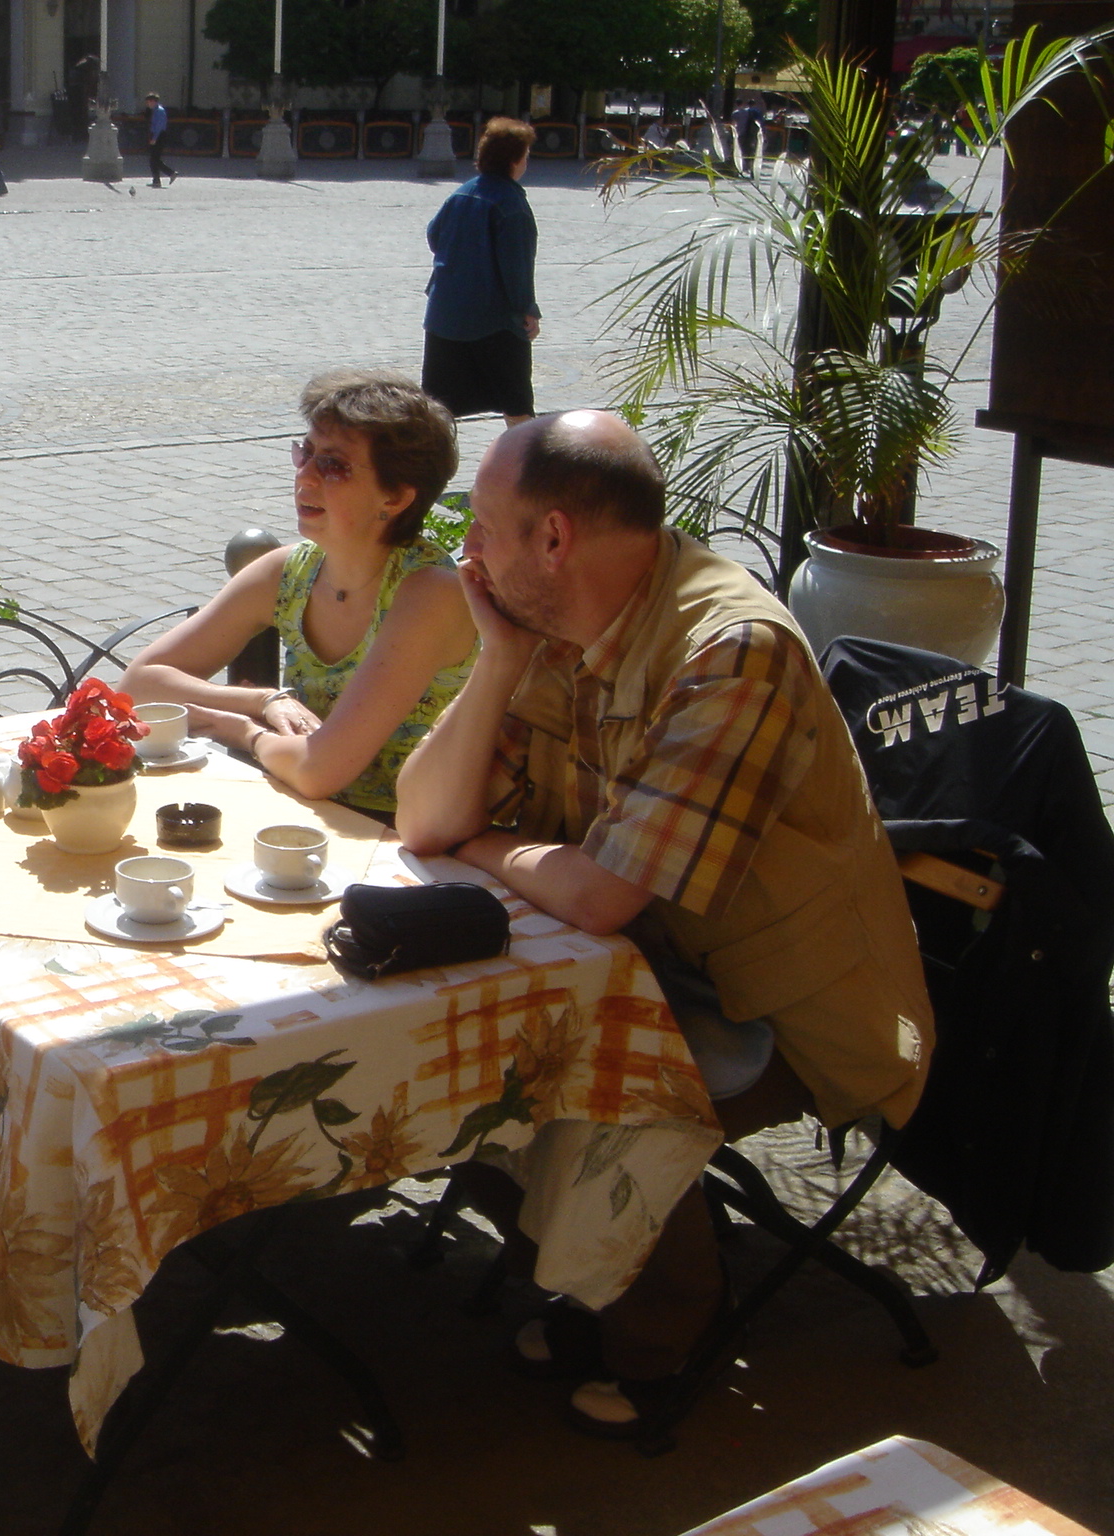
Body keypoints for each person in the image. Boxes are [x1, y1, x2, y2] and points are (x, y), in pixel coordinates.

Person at [394, 410, 933, 1435]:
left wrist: (485, 847)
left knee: (580, 1072)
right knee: (455, 1039)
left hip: (788, 1011)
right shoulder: (558, 621)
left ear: (554, 538)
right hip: (643, 967)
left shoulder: (730, 650)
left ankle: (663, 1332)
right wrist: (496, 662)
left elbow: (602, 895)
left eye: (484, 529)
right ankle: (589, 1281)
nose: (468, 555)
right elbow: (423, 820)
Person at [117, 370, 475, 822]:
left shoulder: (429, 593)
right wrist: (263, 701)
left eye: (333, 465)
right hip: (304, 813)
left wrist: (242, 732)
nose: (305, 476)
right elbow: (136, 687)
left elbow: (320, 770)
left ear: (396, 497)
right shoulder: (290, 572)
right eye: (305, 453)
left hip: (402, 835)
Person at [421, 117, 541, 429]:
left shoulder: (461, 193)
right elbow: (517, 267)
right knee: (516, 406)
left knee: (439, 410)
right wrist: (527, 310)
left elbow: (434, 235)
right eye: (526, 155)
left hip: (445, 315)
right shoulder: (511, 204)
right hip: (493, 321)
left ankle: (432, 461)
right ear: (514, 160)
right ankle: (520, 459)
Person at [145, 91, 176, 187]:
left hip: (159, 136)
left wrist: (154, 138)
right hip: (155, 135)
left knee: (155, 159)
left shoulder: (159, 111)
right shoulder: (155, 111)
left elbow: (159, 126)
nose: (148, 104)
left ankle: (171, 173)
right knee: (153, 159)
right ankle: (156, 180)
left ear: (153, 101)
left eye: (149, 102)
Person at [730, 96, 765, 174]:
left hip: (738, 134)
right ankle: (751, 168)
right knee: (751, 151)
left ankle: (739, 168)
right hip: (750, 134)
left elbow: (733, 123)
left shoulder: (735, 113)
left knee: (739, 150)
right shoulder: (749, 112)